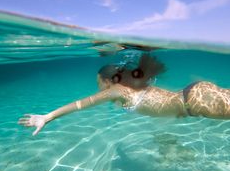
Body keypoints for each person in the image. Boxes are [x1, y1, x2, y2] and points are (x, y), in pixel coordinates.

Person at [18, 54, 230, 136]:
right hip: (195, 96)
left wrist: (48, 116)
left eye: (98, 83)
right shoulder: (128, 88)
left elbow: (81, 104)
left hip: (196, 101)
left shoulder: (117, 90)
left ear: (108, 81)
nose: (99, 88)